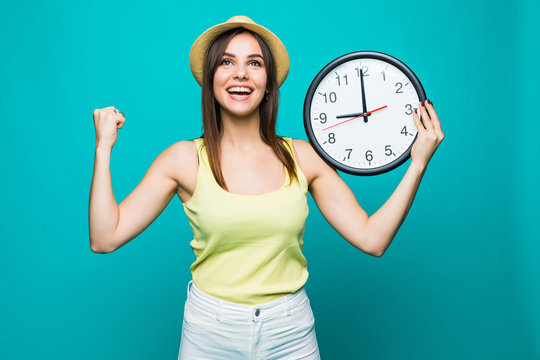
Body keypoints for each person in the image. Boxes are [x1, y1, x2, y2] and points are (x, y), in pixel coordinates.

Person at [88, 15, 444, 360]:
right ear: (211, 77)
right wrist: (103, 148)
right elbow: (105, 238)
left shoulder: (303, 157)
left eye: (254, 63)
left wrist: (418, 163)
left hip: (290, 333)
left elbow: (372, 239)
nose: (240, 73)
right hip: (209, 333)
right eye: (227, 62)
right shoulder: (183, 159)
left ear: (268, 82)